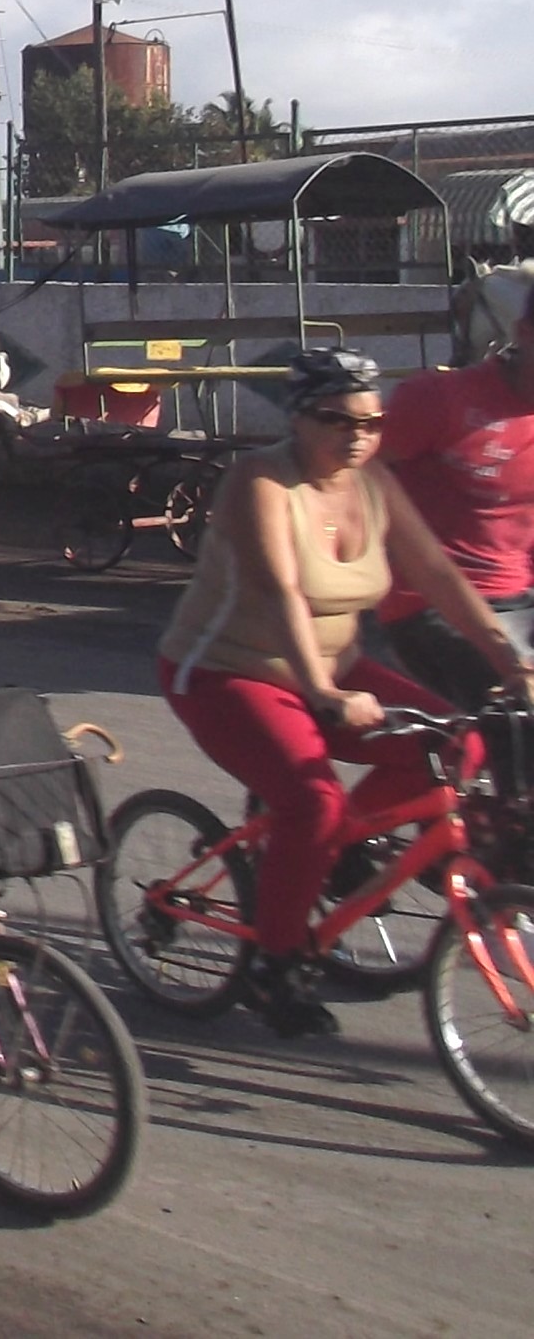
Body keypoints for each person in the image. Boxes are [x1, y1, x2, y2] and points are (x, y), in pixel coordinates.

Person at [157, 347, 531, 1038]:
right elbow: (283, 593)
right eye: (336, 420)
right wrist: (320, 690)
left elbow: (441, 577)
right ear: (298, 419)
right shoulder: (260, 479)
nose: (356, 436)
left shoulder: (373, 483)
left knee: (459, 738)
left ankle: (322, 856)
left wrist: (508, 659)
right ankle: (274, 962)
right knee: (313, 801)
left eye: (371, 421)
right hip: (226, 670)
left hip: (334, 666)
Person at [378, 283, 534, 710]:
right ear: (523, 332)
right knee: (520, 716)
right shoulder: (439, 400)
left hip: (519, 597)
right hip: (430, 604)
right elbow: (351, 477)